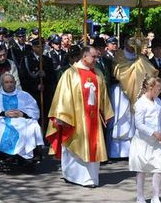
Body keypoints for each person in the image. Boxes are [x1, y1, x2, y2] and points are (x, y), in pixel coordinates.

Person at [46, 46, 114, 187]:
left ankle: (91, 177)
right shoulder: (71, 74)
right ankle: (72, 175)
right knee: (75, 143)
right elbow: (63, 96)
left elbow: (104, 96)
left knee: (93, 145)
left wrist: (107, 112)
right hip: (75, 119)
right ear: (84, 57)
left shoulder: (98, 73)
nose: (96, 59)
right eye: (93, 57)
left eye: (97, 57)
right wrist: (62, 116)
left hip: (93, 118)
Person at [0, 73, 43, 161]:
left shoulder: (24, 95)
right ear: (2, 84)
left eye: (11, 82)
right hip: (3, 119)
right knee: (2, 125)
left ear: (15, 83)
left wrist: (23, 113)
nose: (9, 84)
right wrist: (4, 113)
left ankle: (33, 152)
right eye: (6, 82)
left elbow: (34, 110)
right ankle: (6, 153)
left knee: (33, 125)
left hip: (22, 119)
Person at [129, 76, 161, 203]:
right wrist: (153, 132)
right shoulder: (140, 103)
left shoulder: (158, 102)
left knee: (160, 167)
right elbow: (139, 124)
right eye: (158, 88)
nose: (160, 91)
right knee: (142, 170)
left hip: (157, 142)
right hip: (143, 142)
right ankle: (140, 197)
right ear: (150, 88)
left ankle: (155, 197)